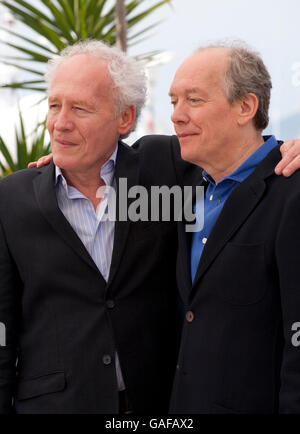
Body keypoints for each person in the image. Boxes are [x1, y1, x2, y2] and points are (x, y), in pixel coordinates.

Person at [0, 40, 189, 414]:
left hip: (157, 404)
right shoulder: (10, 199)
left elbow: (237, 158)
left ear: (125, 118)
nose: (60, 122)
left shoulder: (164, 167)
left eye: (80, 108)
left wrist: (286, 148)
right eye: (55, 105)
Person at [169, 41, 300, 414]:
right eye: (173, 101)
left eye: (193, 100)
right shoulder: (181, 184)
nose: (177, 115)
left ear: (245, 107)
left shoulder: (292, 191)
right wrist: (62, 162)